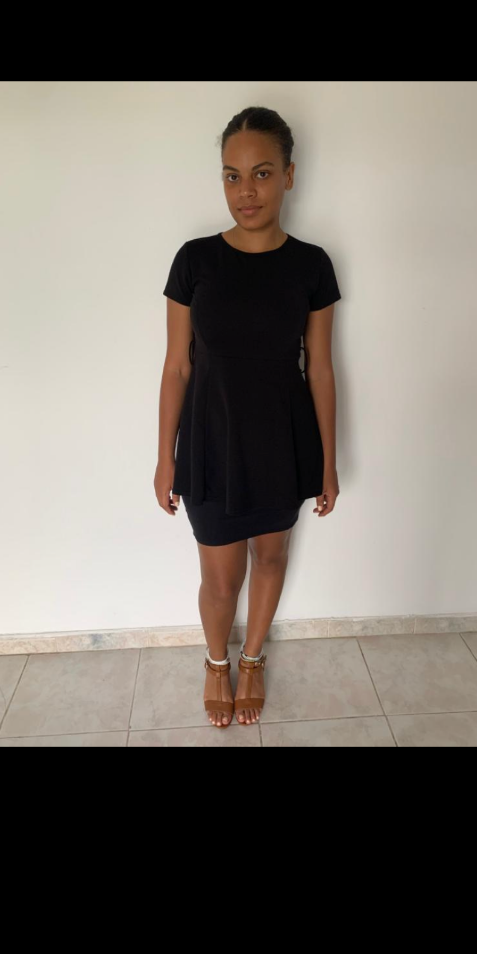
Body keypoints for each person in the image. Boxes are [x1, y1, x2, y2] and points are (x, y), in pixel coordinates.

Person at [155, 106, 341, 728]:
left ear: (288, 175)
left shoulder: (312, 265)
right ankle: (217, 662)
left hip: (282, 443)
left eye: (261, 173)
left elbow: (320, 369)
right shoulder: (194, 260)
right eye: (232, 176)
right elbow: (176, 367)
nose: (246, 191)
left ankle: (253, 658)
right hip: (209, 443)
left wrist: (328, 464)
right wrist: (164, 459)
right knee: (219, 578)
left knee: (271, 558)